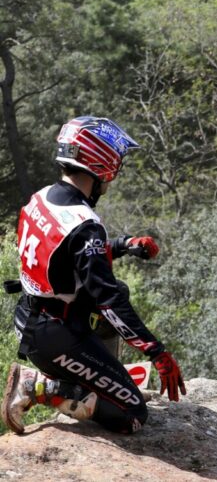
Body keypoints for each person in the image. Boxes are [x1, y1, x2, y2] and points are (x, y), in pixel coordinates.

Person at [2, 116, 185, 435]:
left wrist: (124, 245)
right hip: (54, 336)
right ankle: (38, 386)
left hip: (32, 320)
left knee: (121, 289)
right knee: (133, 415)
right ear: (102, 165)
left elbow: (65, 257)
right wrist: (157, 352)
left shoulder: (40, 199)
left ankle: (99, 376)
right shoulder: (85, 223)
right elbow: (108, 300)